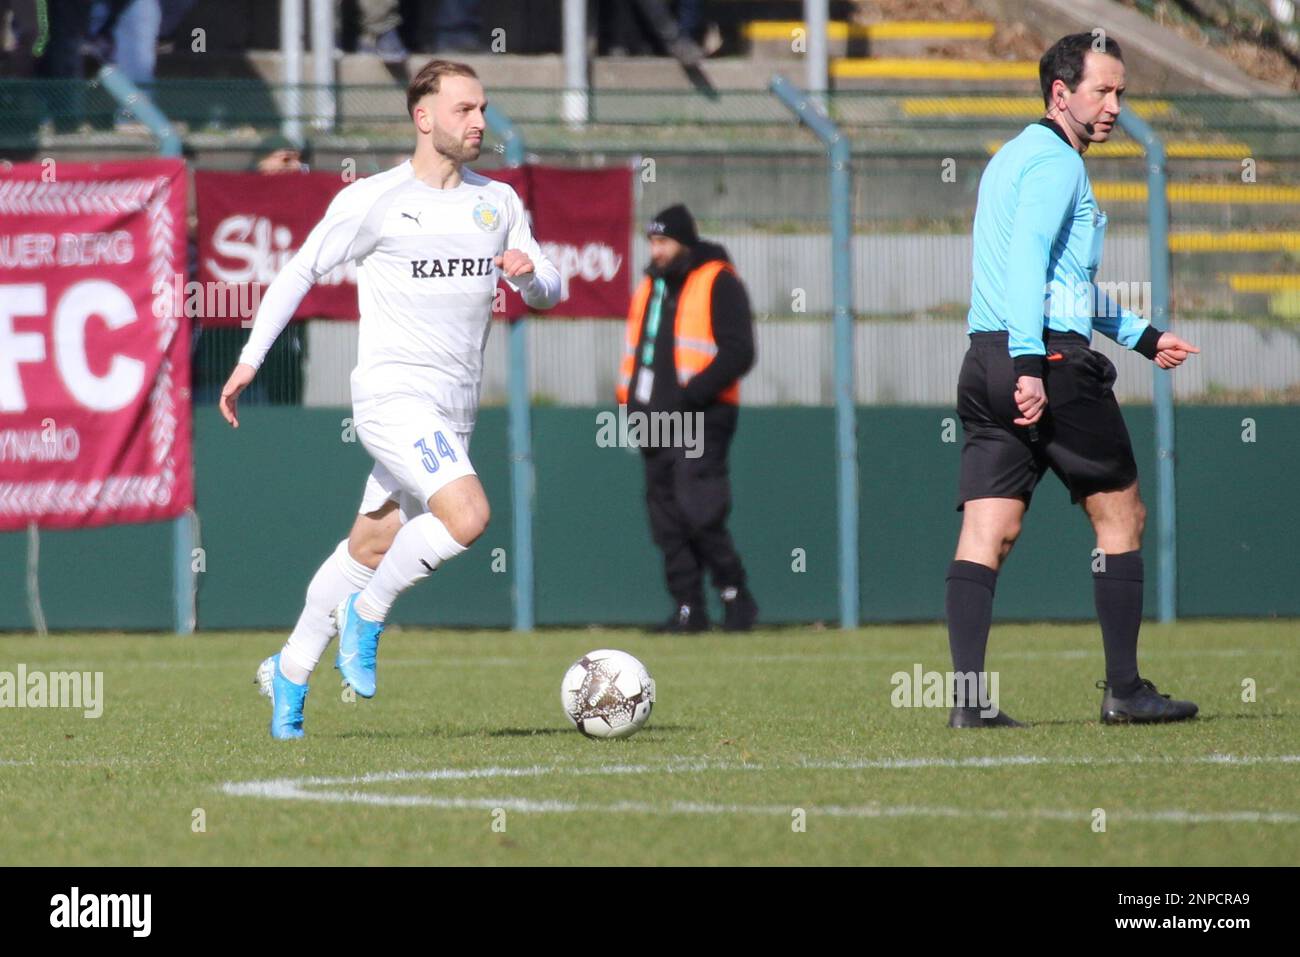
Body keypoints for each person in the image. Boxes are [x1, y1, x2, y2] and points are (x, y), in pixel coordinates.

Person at [220, 59, 561, 739]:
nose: (479, 122)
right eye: (464, 109)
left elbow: (552, 285)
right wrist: (250, 358)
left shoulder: (497, 202)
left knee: (371, 543)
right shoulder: (374, 199)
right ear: (423, 117)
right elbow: (300, 270)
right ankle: (366, 615)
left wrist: (529, 278)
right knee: (467, 516)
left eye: (483, 108)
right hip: (391, 398)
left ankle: (289, 669)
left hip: (452, 411)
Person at [945, 32, 1202, 729]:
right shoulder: (1059, 164)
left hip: (985, 359)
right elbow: (1032, 261)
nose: (1115, 105)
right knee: (1121, 514)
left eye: (1121, 91)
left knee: (988, 528)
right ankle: (1124, 689)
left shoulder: (1011, 158)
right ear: (1062, 94)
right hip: (1046, 361)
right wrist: (1033, 364)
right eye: (1103, 90)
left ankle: (968, 703)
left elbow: (1063, 282)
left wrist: (1144, 337)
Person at [617, 203, 757, 632]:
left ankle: (735, 598)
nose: (655, 251)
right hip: (652, 419)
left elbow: (739, 351)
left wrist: (690, 393)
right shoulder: (651, 286)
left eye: (663, 242)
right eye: (652, 242)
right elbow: (639, 354)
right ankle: (687, 608)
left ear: (684, 243)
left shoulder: (718, 280)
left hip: (702, 415)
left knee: (700, 510)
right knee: (666, 518)